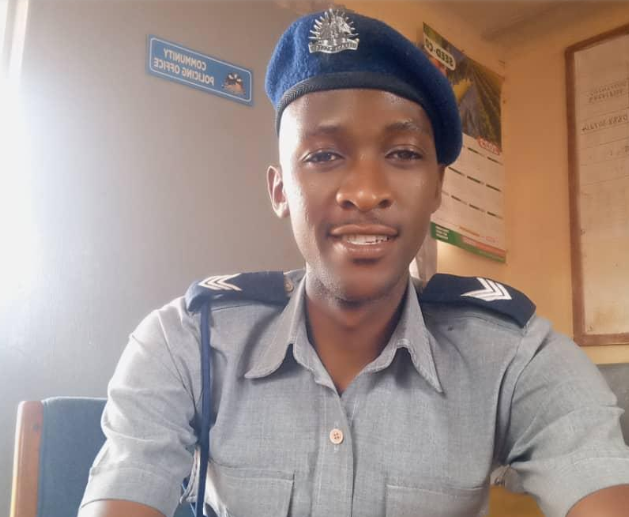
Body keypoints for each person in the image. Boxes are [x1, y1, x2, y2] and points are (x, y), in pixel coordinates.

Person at [79, 8, 629, 517]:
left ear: (437, 186)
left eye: (403, 154)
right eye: (323, 155)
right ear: (280, 190)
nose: (366, 192)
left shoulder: (512, 355)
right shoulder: (188, 342)